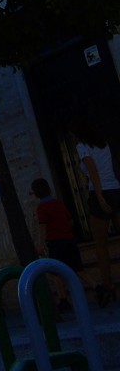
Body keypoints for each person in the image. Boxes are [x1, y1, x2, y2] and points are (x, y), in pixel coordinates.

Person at [70, 119, 120, 306]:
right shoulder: (104, 144)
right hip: (116, 189)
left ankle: (108, 285)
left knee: (101, 244)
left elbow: (92, 169)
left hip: (101, 193)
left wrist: (98, 195)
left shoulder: (82, 147)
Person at [31, 177, 97, 312]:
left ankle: (63, 299)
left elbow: (43, 226)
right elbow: (70, 220)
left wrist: (41, 244)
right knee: (79, 269)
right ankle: (98, 288)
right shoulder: (59, 204)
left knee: (56, 272)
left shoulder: (42, 208)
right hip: (69, 240)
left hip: (55, 242)